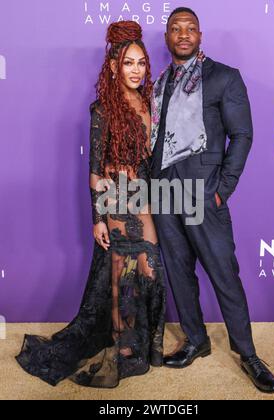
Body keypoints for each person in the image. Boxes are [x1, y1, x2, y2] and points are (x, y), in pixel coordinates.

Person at [16, 21, 166, 388]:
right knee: (121, 274)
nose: (136, 70)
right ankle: (121, 348)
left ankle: (141, 342)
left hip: (142, 198)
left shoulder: (149, 102)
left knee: (149, 269)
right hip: (115, 198)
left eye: (141, 63)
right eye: (128, 63)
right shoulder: (102, 110)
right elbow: (95, 171)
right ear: (113, 65)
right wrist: (97, 218)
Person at [150, 7, 274, 394]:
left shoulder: (224, 77)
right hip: (163, 191)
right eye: (176, 28)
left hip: (204, 192)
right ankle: (196, 339)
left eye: (190, 28)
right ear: (168, 38)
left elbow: (242, 135)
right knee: (178, 270)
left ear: (200, 35)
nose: (184, 34)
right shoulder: (158, 83)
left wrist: (222, 188)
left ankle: (250, 355)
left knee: (224, 275)